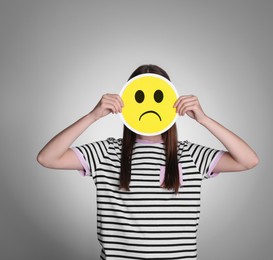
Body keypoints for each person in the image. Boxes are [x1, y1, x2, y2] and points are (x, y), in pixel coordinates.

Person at [37, 64, 259, 260]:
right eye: (139, 98)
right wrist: (92, 116)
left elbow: (249, 160)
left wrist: (205, 119)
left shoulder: (190, 154)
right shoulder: (107, 152)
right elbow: (47, 158)